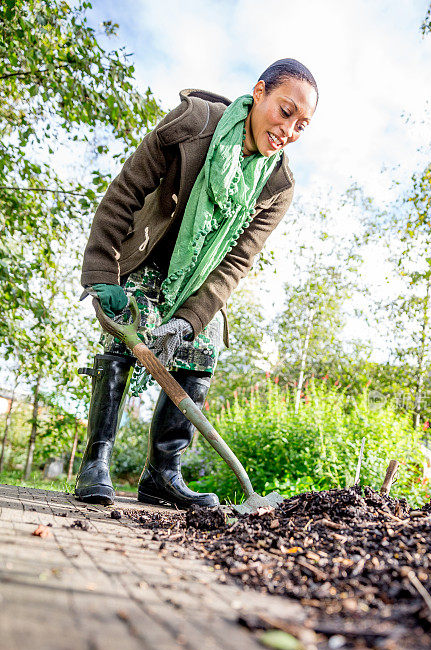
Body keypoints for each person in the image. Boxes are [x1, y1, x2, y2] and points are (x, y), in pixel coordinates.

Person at [75, 58, 318, 509]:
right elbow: (122, 195)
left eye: (303, 125)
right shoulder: (194, 123)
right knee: (126, 328)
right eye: (285, 112)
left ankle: (163, 474)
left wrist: (189, 322)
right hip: (148, 258)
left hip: (197, 283)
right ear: (259, 93)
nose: (289, 130)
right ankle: (97, 459)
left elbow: (236, 262)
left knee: (202, 350)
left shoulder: (278, 185)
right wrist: (102, 276)